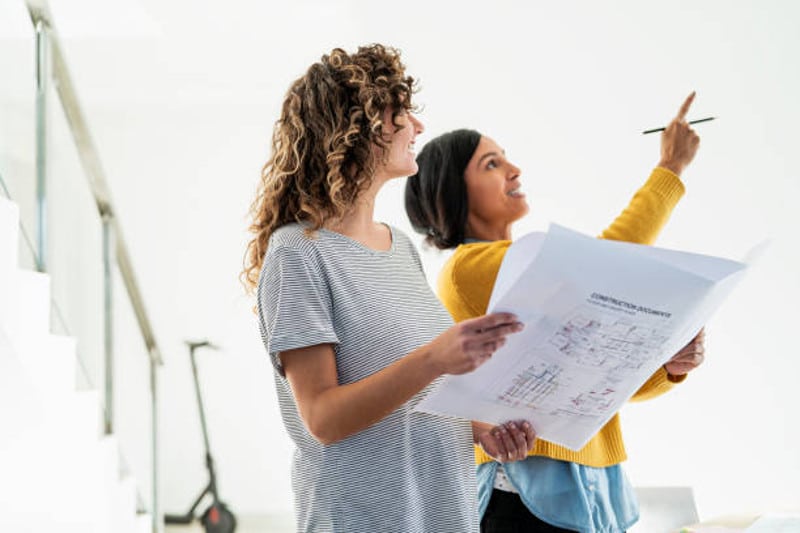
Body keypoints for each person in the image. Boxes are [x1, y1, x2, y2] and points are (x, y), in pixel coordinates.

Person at [242, 44, 537, 533]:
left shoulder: (398, 247)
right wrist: (436, 358)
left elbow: (412, 400)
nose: (417, 127)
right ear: (357, 129)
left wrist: (481, 430)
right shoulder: (297, 254)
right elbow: (323, 419)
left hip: (445, 514)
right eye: (401, 114)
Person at [404, 94, 707, 533]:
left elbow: (599, 377)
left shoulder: (532, 275)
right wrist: (670, 169)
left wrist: (669, 367)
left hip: (596, 491)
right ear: (452, 193)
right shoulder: (467, 269)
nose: (514, 170)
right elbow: (608, 265)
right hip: (522, 500)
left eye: (506, 159)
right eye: (491, 164)